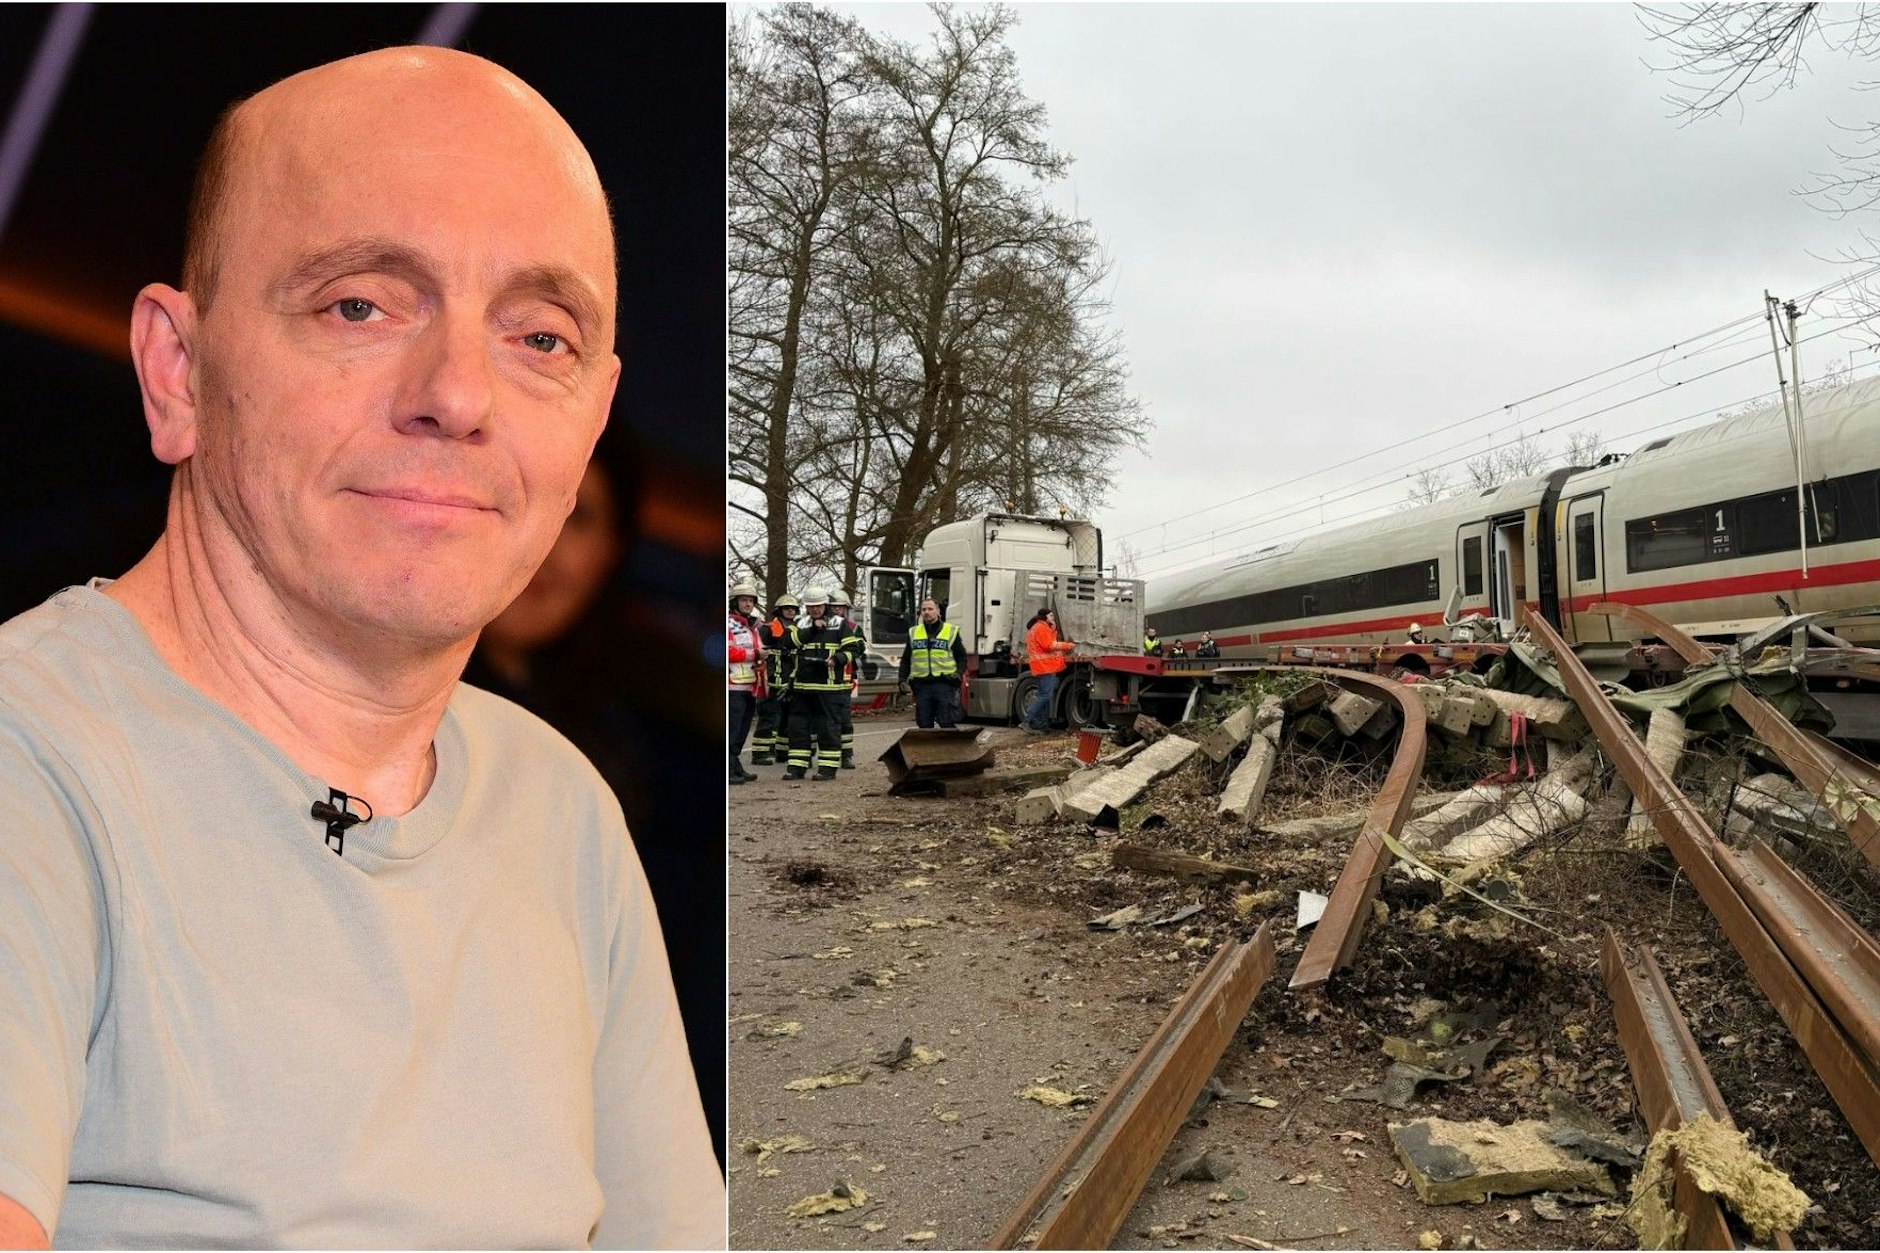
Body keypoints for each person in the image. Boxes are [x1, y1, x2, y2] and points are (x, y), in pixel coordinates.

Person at [0, 47, 722, 1250]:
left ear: (591, 415)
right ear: (177, 373)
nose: (456, 392)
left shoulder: (560, 809)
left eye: (538, 337)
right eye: (360, 304)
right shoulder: (33, 762)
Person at [783, 588, 846, 780]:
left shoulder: (840, 624)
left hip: (828, 688)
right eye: (811, 606)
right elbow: (788, 642)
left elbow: (855, 646)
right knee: (798, 728)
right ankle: (796, 768)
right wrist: (812, 629)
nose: (815, 609)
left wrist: (838, 658)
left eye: (818, 605)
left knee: (827, 728)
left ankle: (827, 769)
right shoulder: (799, 623)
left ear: (825, 604)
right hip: (802, 687)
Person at [899, 598, 968, 728]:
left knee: (946, 721)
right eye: (924, 609)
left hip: (944, 683)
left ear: (938, 611)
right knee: (924, 723)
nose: (927, 612)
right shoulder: (914, 632)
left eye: (930, 609)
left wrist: (958, 673)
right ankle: (928, 749)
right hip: (922, 685)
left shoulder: (950, 631)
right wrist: (902, 679)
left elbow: (961, 657)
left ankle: (950, 748)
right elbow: (906, 659)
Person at [750, 592, 800, 764]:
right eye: (787, 608)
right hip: (770, 680)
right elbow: (759, 651)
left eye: (793, 608)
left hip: (789, 681)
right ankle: (760, 753)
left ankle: (782, 752)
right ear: (779, 610)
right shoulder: (767, 628)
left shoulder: (798, 629)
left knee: (787, 717)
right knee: (767, 716)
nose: (790, 611)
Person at [824, 589, 865, 768]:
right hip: (823, 679)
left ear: (846, 609)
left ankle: (846, 755)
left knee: (845, 719)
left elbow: (861, 647)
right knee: (820, 718)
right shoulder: (820, 626)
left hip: (846, 679)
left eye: (840, 608)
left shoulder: (854, 628)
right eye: (834, 608)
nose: (837, 611)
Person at [727, 581, 763, 783]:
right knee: (732, 731)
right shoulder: (729, 624)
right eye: (744, 600)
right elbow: (728, 651)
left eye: (751, 600)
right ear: (735, 602)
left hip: (749, 687)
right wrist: (755, 654)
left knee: (741, 731)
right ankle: (728, 769)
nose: (748, 604)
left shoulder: (751, 626)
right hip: (732, 688)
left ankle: (735, 763)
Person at [1021, 607, 1076, 733]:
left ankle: (1042, 725)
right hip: (1046, 666)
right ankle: (1027, 720)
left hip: (1042, 666)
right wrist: (1068, 645)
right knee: (1045, 696)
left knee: (1044, 696)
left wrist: (1052, 629)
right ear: (1045, 617)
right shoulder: (1041, 628)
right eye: (1051, 616)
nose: (1053, 618)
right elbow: (1050, 645)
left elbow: (1047, 642)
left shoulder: (1038, 628)